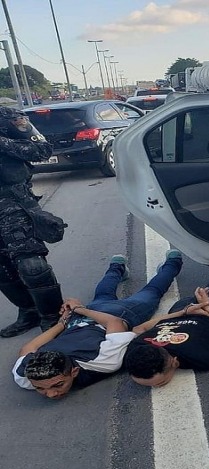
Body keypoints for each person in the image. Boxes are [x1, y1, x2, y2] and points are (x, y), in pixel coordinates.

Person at [12, 251, 182, 398]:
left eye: (57, 385)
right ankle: (117, 265)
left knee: (151, 292)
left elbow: (114, 323)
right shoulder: (25, 375)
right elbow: (29, 348)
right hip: (80, 319)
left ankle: (173, 262)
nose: (50, 394)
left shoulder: (103, 361)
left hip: (115, 314)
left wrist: (79, 310)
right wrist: (64, 322)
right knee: (103, 293)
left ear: (74, 372)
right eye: (39, 388)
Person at [124, 264, 209, 387]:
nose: (153, 388)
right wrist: (185, 311)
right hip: (184, 307)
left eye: (160, 383)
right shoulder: (136, 351)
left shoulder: (203, 356)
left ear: (174, 363)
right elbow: (138, 329)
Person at [0, 107, 67, 338]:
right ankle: (28, 311)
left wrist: (2, 143)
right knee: (2, 269)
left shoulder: (7, 117)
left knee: (31, 264)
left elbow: (42, 149)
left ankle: (53, 316)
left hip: (13, 204)